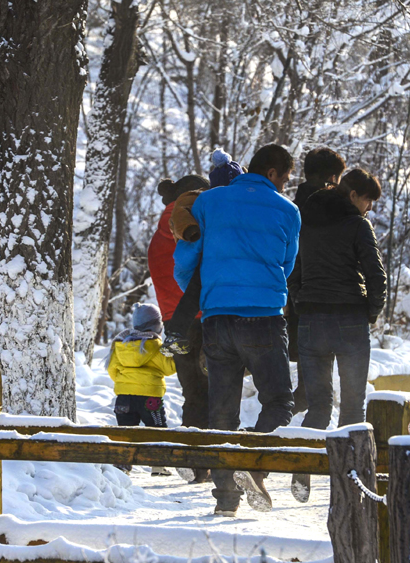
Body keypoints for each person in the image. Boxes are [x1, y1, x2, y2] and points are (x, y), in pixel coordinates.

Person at [174, 143, 301, 517]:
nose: (284, 185)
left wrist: (206, 292)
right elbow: (287, 264)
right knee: (279, 402)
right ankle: (254, 461)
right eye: (286, 178)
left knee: (222, 412)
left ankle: (226, 500)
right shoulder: (287, 211)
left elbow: (187, 255)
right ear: (275, 174)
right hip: (263, 316)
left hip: (217, 317)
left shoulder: (210, 202)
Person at [287, 168, 387, 502]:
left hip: (312, 320)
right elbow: (376, 274)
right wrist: (370, 312)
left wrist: (303, 304)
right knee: (353, 409)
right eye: (367, 200)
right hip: (349, 321)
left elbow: (293, 273)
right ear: (354, 195)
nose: (369, 208)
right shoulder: (358, 225)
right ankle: (349, 485)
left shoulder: (307, 223)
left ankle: (303, 470)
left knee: (318, 406)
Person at [147, 174, 212, 483]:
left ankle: (194, 461)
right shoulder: (193, 224)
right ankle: (211, 462)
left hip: (174, 321)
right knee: (215, 391)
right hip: (203, 316)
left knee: (193, 393)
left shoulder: (160, 233)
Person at [162, 149, 244, 355]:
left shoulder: (233, 203)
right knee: (198, 294)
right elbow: (181, 215)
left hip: (215, 261)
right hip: (212, 260)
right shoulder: (201, 200)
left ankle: (188, 340)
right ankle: (178, 334)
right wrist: (191, 231)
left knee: (198, 295)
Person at [288, 148, 348, 415]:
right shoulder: (332, 208)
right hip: (324, 297)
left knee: (307, 368)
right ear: (332, 178)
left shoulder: (290, 206)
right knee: (319, 380)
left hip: (295, 296)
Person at [107, 303, 177, 477]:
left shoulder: (121, 344)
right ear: (156, 325)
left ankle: (123, 465)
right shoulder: (155, 345)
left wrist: (126, 383)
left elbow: (112, 369)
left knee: (125, 431)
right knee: (157, 429)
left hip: (124, 397)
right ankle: (158, 466)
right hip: (150, 398)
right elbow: (169, 369)